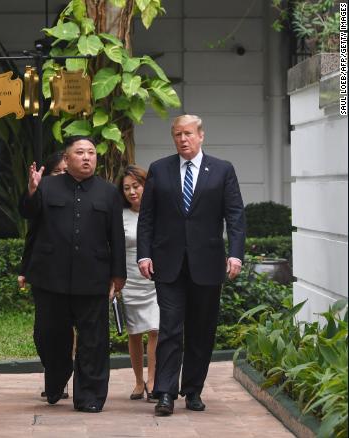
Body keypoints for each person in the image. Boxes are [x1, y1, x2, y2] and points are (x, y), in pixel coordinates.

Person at [137, 115, 246, 416]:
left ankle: (193, 390)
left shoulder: (222, 170)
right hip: (168, 264)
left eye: (187, 133)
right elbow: (147, 217)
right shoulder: (160, 169)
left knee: (201, 330)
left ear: (200, 136)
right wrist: (143, 254)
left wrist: (236, 254)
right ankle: (165, 393)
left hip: (208, 264)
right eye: (177, 134)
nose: (182, 139)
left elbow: (235, 216)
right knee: (170, 328)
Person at [20, 136, 126, 413]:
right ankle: (56, 379)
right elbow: (28, 214)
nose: (87, 157)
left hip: (92, 277)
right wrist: (32, 190)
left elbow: (116, 235)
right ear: (67, 160)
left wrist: (118, 275)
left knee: (94, 340)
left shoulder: (108, 192)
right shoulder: (46, 186)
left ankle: (89, 397)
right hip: (50, 278)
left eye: (91, 152)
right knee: (49, 336)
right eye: (80, 152)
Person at [16, 150, 68, 400]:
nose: (62, 177)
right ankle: (58, 371)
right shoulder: (43, 192)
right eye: (57, 172)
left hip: (76, 274)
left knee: (66, 331)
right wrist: (33, 189)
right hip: (46, 273)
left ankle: (57, 381)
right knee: (43, 332)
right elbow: (30, 225)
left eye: (66, 173)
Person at [116, 165, 159, 402]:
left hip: (156, 280)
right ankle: (138, 381)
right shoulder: (119, 215)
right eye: (127, 188)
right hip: (130, 280)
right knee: (134, 333)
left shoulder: (159, 212)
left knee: (156, 329)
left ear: (146, 185)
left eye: (136, 186)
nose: (132, 192)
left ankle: (153, 380)